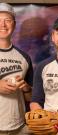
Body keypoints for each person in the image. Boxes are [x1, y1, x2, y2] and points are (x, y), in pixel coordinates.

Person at [0, 3, 33, 135]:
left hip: (19, 128)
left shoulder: (24, 57)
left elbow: (30, 97)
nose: (3, 25)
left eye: (7, 20)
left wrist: (26, 88)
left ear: (13, 25)